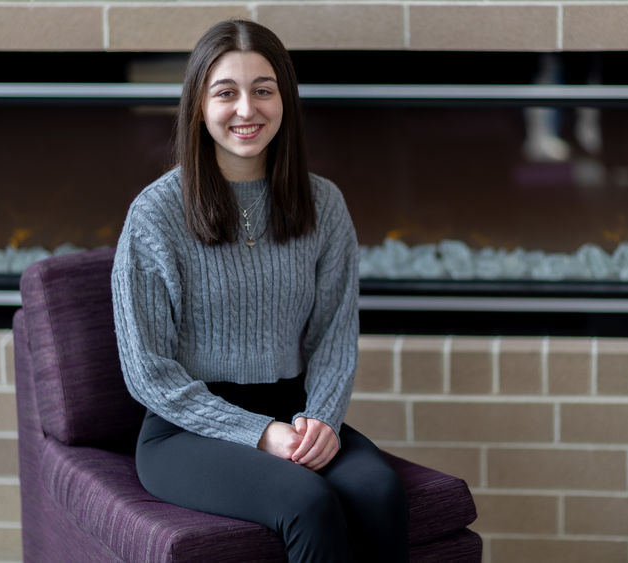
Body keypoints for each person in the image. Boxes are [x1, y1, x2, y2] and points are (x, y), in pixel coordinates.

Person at [111, 19, 409, 562]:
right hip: (185, 430)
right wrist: (258, 433)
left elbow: (333, 336)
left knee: (379, 491)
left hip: (296, 412)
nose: (247, 110)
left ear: (285, 102)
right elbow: (147, 371)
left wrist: (321, 418)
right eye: (226, 92)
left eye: (263, 91)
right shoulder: (154, 214)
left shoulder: (325, 204)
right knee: (307, 501)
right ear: (199, 105)